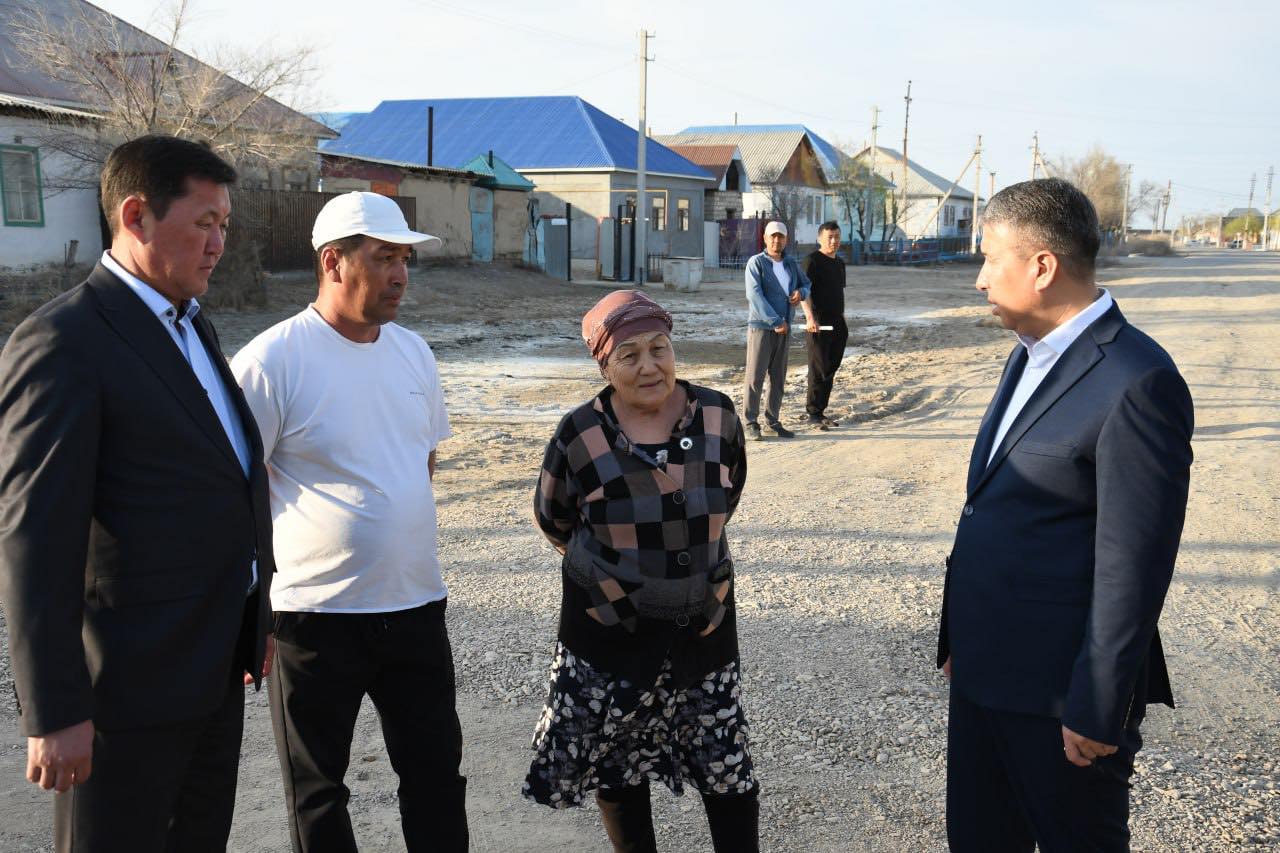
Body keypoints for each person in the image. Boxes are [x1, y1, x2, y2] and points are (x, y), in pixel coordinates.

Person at [0, 135, 274, 853]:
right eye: (204, 222)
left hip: (211, 669)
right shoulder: (64, 341)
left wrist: (258, 615)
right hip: (125, 689)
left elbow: (226, 473)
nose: (219, 243)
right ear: (135, 215)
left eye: (224, 224)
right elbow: (35, 540)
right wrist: (54, 710)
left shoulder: (191, 322)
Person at [937, 178, 1194, 852]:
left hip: (1060, 699)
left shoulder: (1137, 380)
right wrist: (961, 636)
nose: (980, 279)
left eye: (991, 258)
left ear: (1042, 266)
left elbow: (1133, 567)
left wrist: (1098, 704)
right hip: (985, 675)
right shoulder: (1028, 354)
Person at [230, 191, 467, 852]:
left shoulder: (414, 353)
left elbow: (422, 461)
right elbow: (234, 493)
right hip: (313, 617)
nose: (400, 274)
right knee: (318, 791)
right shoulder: (270, 362)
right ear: (333, 262)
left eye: (405, 260)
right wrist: (251, 611)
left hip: (415, 606)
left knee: (435, 776)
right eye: (384, 257)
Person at [524, 290, 759, 852]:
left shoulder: (718, 415)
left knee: (726, 769)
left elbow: (728, 496)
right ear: (604, 367)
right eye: (629, 355)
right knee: (618, 769)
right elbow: (554, 518)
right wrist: (620, 579)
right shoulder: (579, 433)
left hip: (701, 629)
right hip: (609, 636)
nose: (649, 366)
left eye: (660, 348)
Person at [742, 220, 811, 440]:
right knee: (755, 377)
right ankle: (750, 422)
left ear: (786, 239)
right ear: (765, 238)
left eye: (780, 236)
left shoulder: (790, 264)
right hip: (762, 328)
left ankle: (772, 422)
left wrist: (801, 292)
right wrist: (775, 321)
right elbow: (754, 295)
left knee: (778, 378)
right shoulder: (756, 263)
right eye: (772, 236)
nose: (776, 240)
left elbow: (807, 284)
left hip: (785, 329)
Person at [800, 221, 850, 430]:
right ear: (820, 238)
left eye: (837, 236)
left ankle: (821, 410)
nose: (834, 241)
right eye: (829, 237)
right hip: (818, 323)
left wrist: (842, 319)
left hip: (838, 322)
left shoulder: (839, 263)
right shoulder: (812, 261)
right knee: (818, 367)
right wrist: (810, 318)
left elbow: (838, 292)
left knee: (831, 367)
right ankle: (813, 412)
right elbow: (803, 292)